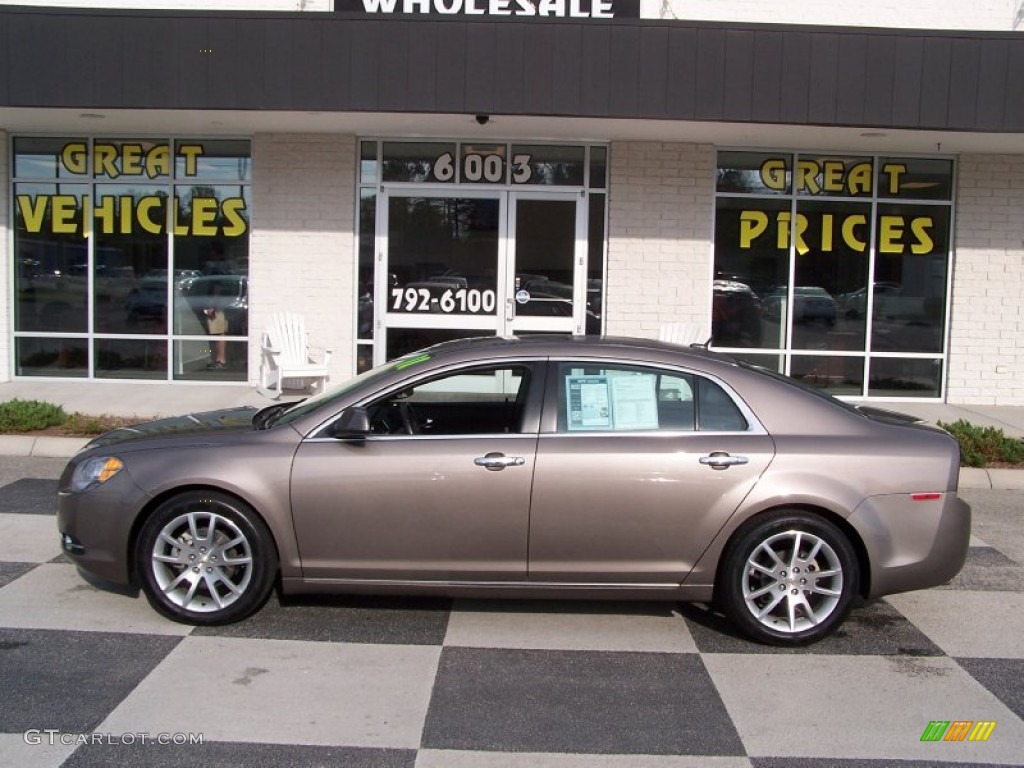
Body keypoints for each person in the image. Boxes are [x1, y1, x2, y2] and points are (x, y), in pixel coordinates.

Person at [203, 281, 228, 368]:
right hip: (214, 318)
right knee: (214, 340)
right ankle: (216, 359)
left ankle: (221, 359)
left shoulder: (218, 296)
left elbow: (215, 305)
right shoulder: (213, 296)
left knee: (220, 338)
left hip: (217, 318)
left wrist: (211, 309)